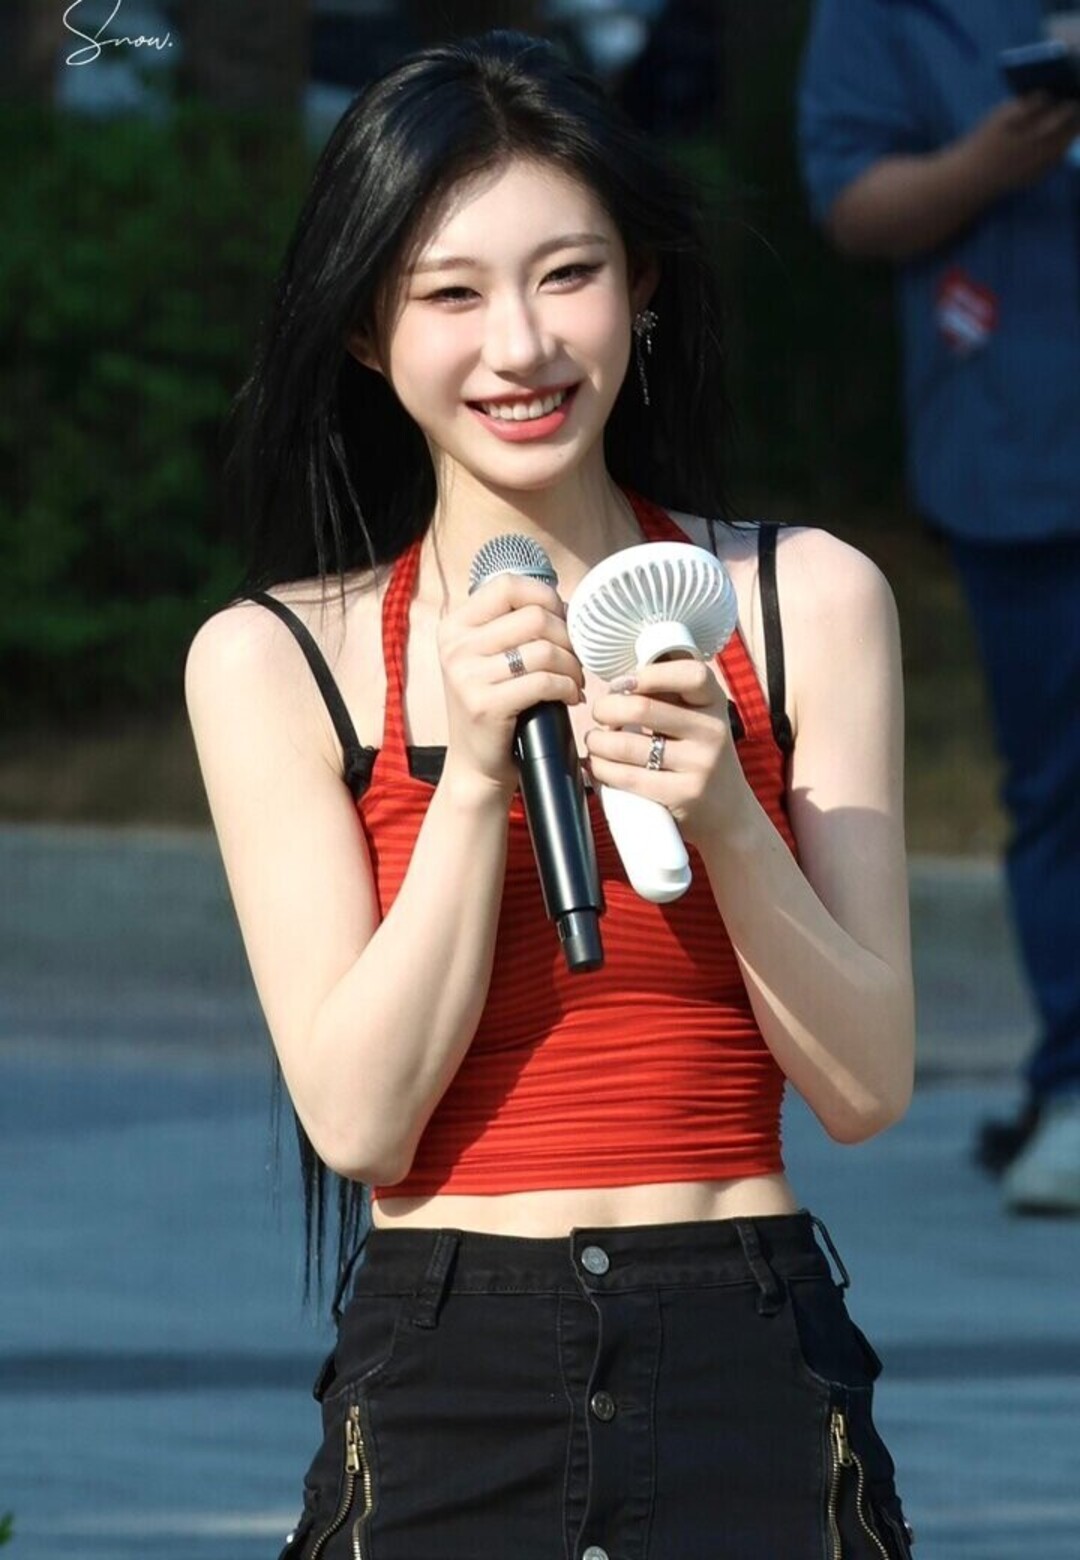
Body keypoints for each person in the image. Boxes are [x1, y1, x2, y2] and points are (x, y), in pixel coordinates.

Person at [186, 31, 916, 1559]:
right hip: (446, 1365)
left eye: (567, 274)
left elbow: (864, 1087)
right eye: (449, 294)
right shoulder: (275, 661)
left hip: (747, 1351)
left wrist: (728, 819)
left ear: (642, 284)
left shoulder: (806, 602)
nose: (519, 346)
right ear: (367, 332)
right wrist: (468, 783)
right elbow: (362, 1120)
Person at [799, 0, 1080, 1215]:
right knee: (1064, 786)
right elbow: (852, 200)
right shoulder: (883, 13)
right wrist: (990, 160)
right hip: (1023, 445)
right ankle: (1074, 1085)